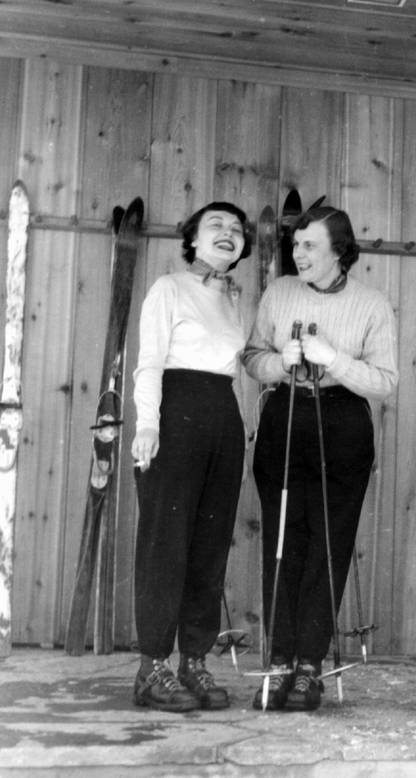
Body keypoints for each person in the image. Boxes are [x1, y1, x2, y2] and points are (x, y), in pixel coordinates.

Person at [242, 205, 398, 712]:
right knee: (284, 541)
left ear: (340, 249)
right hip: (286, 416)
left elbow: (386, 381)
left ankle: (309, 666)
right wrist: (275, 362)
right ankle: (280, 662)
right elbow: (251, 355)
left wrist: (333, 359)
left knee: (328, 545)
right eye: (296, 245)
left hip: (343, 421)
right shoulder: (279, 293)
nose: (298, 253)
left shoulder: (372, 304)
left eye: (310, 245)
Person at [130, 201, 252, 712]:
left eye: (237, 230)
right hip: (173, 417)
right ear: (193, 240)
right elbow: (150, 361)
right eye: (216, 226)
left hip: (223, 419)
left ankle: (194, 663)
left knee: (210, 546)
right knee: (167, 544)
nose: (229, 233)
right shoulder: (168, 289)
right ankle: (153, 667)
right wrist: (148, 425)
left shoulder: (237, 301)